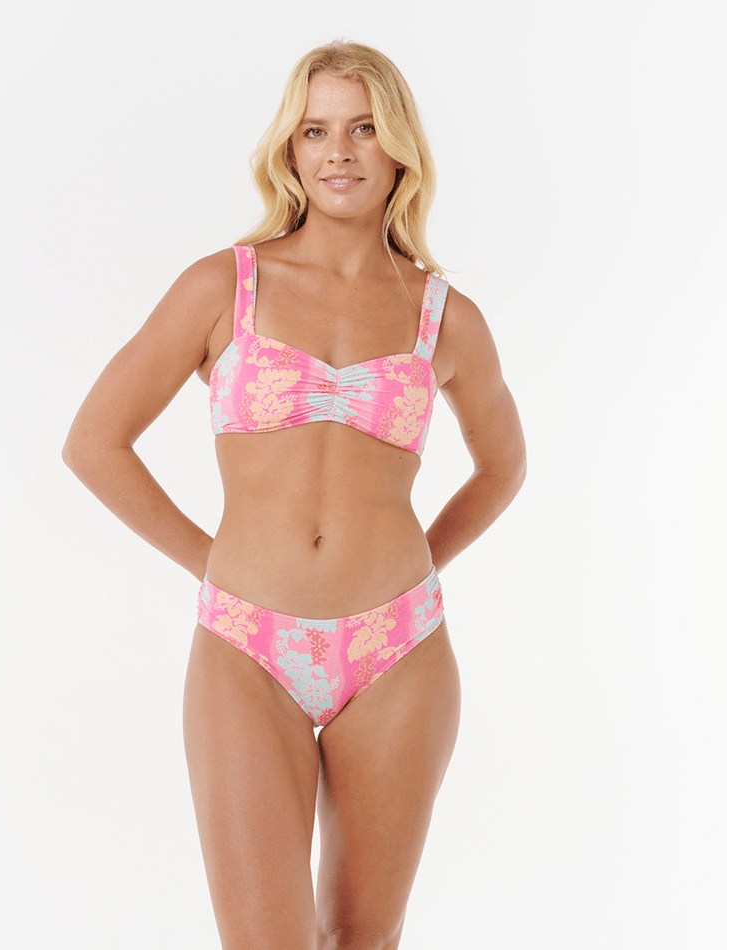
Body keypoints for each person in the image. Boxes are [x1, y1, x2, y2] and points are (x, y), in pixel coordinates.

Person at [63, 40, 526, 950]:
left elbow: (503, 467)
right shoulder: (224, 286)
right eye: (315, 130)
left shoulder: (445, 316)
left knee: (362, 940)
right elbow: (94, 442)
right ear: (289, 147)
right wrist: (216, 564)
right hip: (248, 645)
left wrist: (416, 567)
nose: (338, 151)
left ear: (400, 147)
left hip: (399, 650)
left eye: (363, 128)